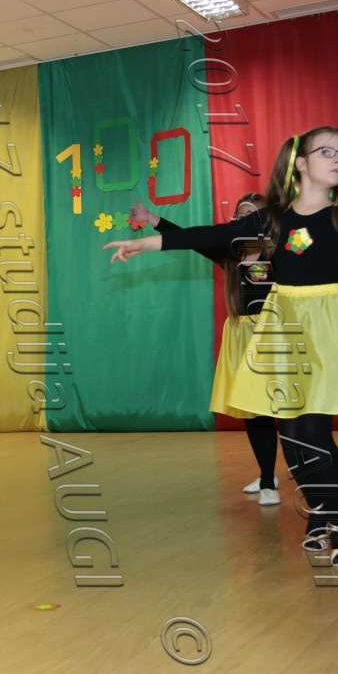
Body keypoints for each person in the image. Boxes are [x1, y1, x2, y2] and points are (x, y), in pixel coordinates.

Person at [106, 126, 338, 567]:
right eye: (327, 152)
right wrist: (148, 241)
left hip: (328, 327)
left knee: (315, 433)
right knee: (292, 437)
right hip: (283, 326)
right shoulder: (272, 219)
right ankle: (320, 517)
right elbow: (214, 234)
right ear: (301, 163)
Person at [133, 194, 281, 506]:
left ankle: (280, 476)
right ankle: (268, 476)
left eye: (250, 214)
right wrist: (153, 219)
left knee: (277, 410)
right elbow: (190, 240)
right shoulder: (231, 255)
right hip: (241, 336)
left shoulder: (277, 254)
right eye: (239, 214)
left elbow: (306, 252)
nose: (242, 219)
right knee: (252, 412)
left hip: (272, 337)